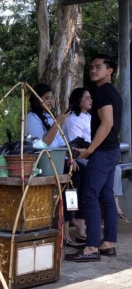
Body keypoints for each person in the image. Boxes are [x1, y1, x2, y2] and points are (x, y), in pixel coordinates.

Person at [65, 53, 122, 262]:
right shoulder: (111, 92)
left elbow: (107, 123)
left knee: (89, 195)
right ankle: (108, 244)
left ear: (110, 71)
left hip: (104, 151)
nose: (94, 70)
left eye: (99, 67)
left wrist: (90, 150)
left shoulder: (102, 93)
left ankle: (91, 248)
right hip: (111, 150)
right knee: (106, 196)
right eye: (92, 67)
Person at [62, 87, 92, 247]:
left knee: (113, 171)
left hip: (86, 157)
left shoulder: (89, 117)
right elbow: (75, 146)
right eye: (87, 98)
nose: (90, 100)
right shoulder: (73, 119)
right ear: (79, 101)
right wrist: (73, 159)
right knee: (77, 179)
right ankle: (75, 218)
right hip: (74, 158)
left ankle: (83, 218)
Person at [27, 83, 70, 147]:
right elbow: (42, 144)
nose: (50, 101)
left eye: (51, 98)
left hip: (57, 154)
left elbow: (59, 141)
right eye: (47, 98)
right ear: (37, 100)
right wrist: (57, 123)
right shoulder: (31, 117)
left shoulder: (48, 116)